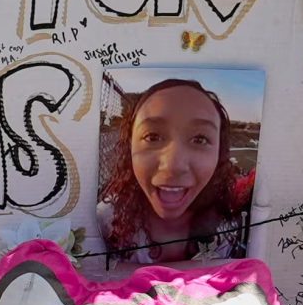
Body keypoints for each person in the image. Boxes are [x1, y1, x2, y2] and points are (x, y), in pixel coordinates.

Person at [98, 77, 253, 264]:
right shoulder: (103, 223)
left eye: (200, 139)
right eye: (152, 136)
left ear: (219, 154)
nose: (173, 166)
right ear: (129, 147)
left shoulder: (225, 229)